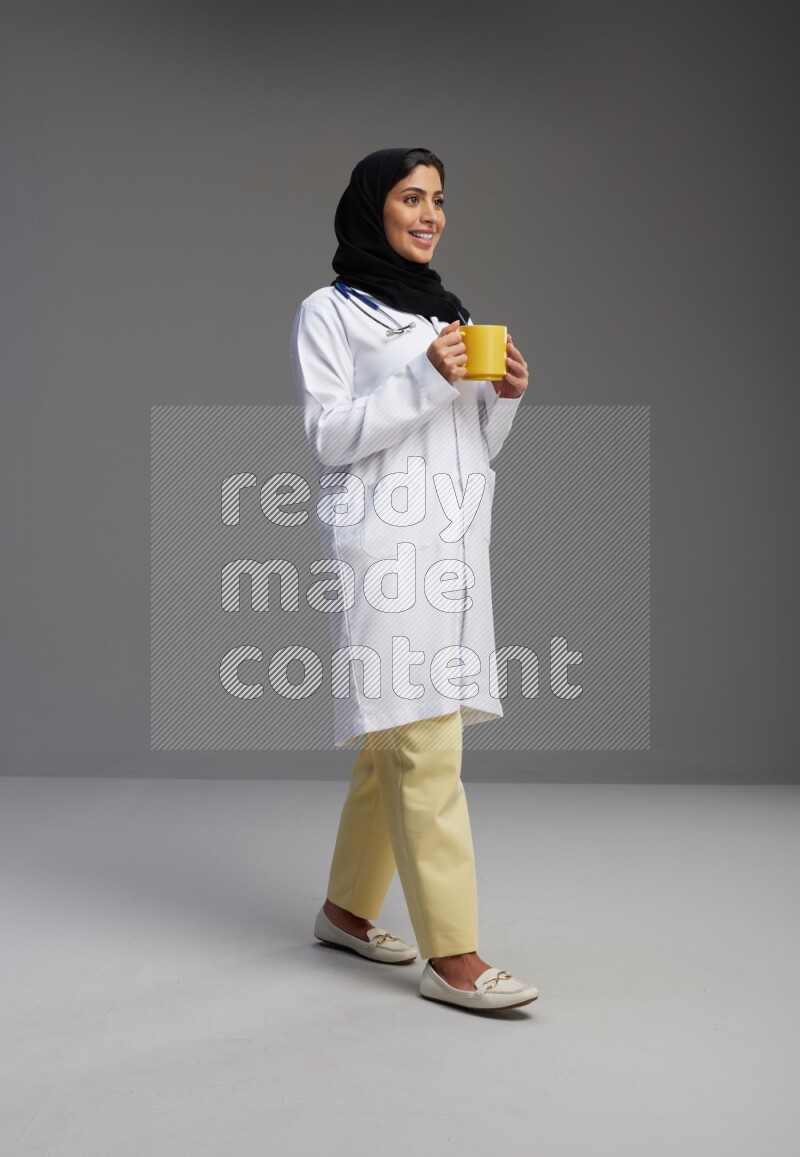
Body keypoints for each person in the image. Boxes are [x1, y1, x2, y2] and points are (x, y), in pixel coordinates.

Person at [290, 147, 540, 1012]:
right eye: (410, 197)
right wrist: (424, 375)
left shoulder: (450, 312)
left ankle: (346, 911)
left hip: (452, 545)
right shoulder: (331, 312)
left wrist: (501, 397)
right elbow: (330, 436)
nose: (430, 213)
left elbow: (470, 442)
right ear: (373, 208)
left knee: (386, 744)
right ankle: (455, 954)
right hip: (385, 550)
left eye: (439, 199)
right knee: (427, 742)